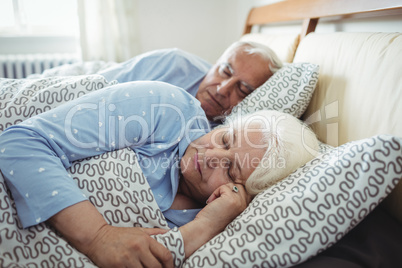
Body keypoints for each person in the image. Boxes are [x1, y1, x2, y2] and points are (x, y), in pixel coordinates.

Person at [0, 81, 318, 267]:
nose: (210, 156)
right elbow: (19, 143)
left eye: (231, 169)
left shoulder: (218, 220)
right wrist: (98, 236)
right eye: (225, 139)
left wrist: (206, 225)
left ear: (243, 194)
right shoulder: (168, 110)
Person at [98, 41, 283, 127]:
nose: (222, 89)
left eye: (243, 89)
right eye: (225, 71)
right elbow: (96, 84)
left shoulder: (228, 136)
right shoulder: (173, 63)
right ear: (214, 64)